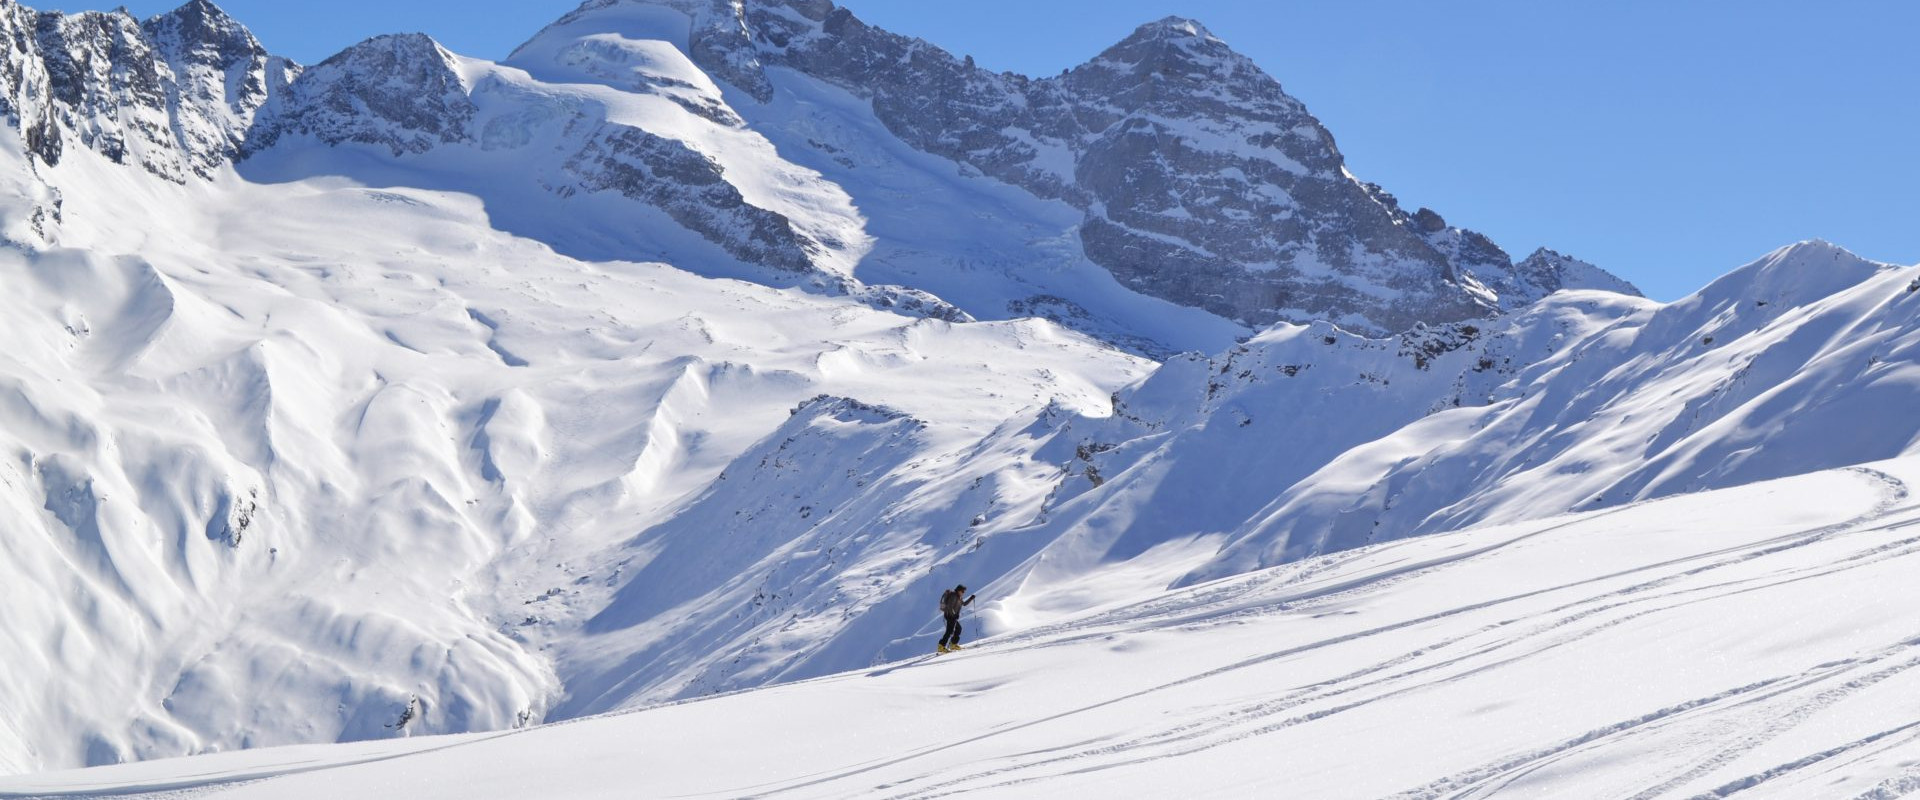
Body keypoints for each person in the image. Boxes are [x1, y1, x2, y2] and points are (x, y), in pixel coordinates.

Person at [937, 584, 976, 654]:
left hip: (953, 616)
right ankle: (941, 646)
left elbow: (964, 604)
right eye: (963, 591)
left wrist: (971, 598)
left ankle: (953, 644)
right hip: (949, 615)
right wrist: (954, 615)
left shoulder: (959, 597)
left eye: (964, 591)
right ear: (958, 590)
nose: (963, 593)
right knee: (949, 631)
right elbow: (950, 607)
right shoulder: (953, 596)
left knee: (958, 629)